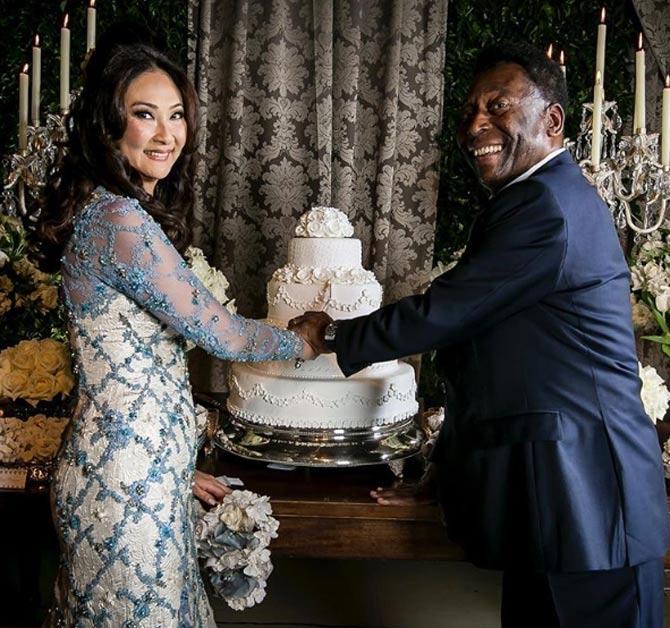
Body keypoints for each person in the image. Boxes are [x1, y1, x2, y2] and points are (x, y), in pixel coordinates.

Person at [290, 42, 670, 627]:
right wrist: (440, 473)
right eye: (469, 111)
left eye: (497, 105)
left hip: (590, 505)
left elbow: (448, 310)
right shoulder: (530, 200)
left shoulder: (550, 206)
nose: (474, 125)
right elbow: (481, 363)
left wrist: (332, 332)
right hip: (556, 507)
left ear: (552, 120)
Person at [37, 25, 313, 626]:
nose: (167, 135)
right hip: (122, 485)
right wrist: (306, 338)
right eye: (145, 115)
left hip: (140, 473)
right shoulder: (119, 221)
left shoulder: (114, 212)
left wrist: (172, 466)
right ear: (109, 125)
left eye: (177, 116)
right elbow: (226, 336)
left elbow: (135, 371)